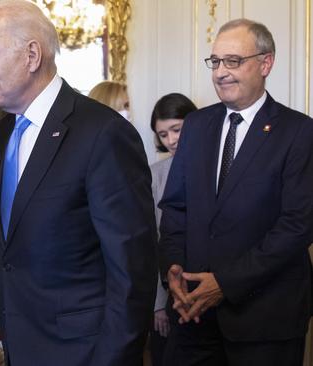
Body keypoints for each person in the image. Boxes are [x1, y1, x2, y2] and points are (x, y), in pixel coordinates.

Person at [0, 1, 158, 365]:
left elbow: (133, 273)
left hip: (87, 353)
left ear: (32, 55)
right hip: (20, 347)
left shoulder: (103, 133)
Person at [159, 19, 313, 366]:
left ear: (266, 63)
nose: (220, 73)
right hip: (193, 315)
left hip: (265, 322)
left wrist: (225, 282)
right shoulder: (197, 125)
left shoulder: (299, 132)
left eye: (233, 61)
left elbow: (297, 225)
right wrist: (172, 271)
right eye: (215, 61)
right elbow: (175, 208)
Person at [148, 93, 197, 365]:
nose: (171, 140)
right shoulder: (155, 174)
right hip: (169, 295)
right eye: (163, 134)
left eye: (177, 129)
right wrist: (157, 303)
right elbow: (150, 242)